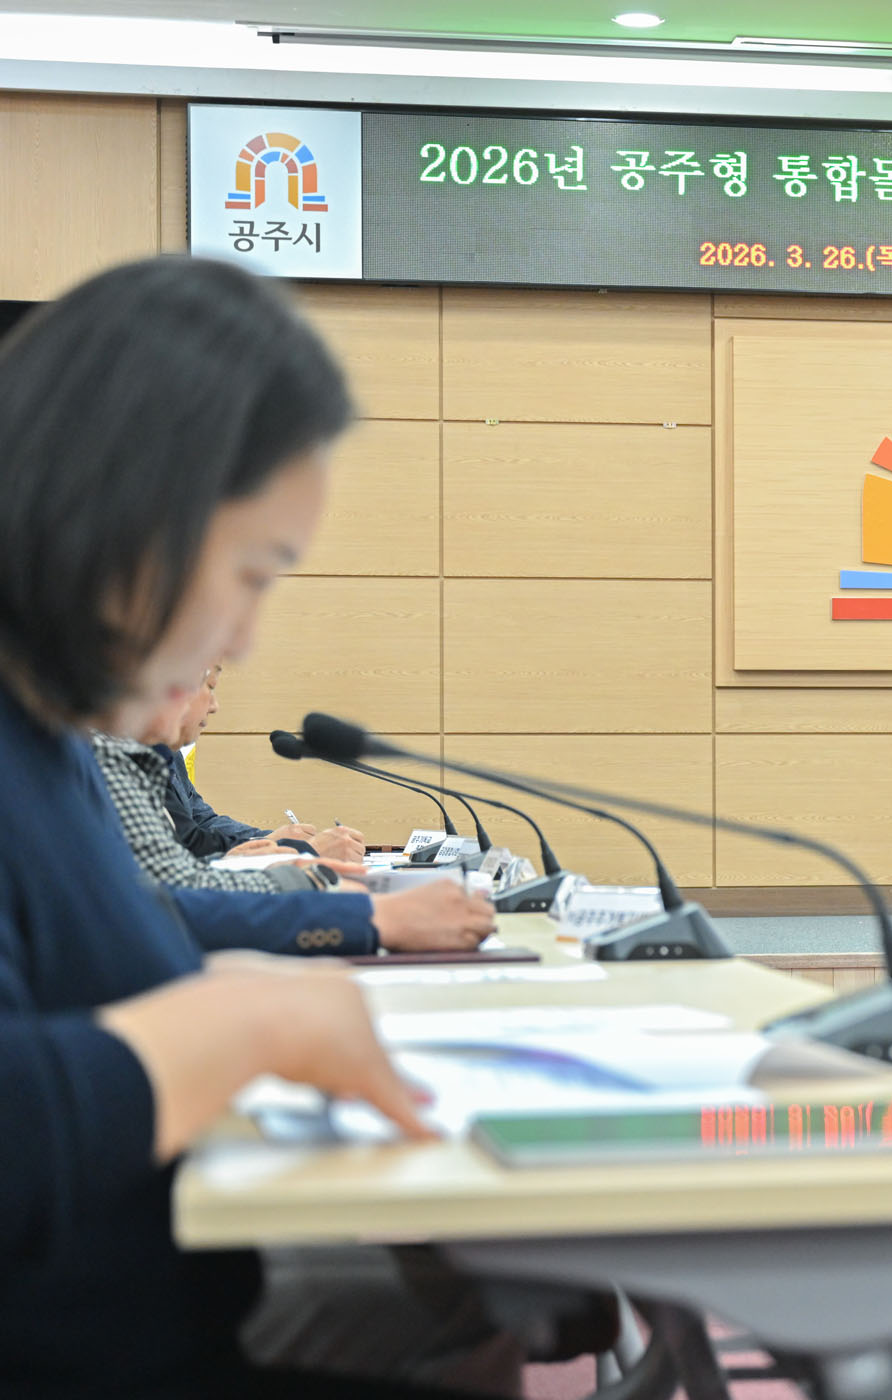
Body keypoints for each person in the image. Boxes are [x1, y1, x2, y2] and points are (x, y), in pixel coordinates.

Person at [0, 255, 511, 1399]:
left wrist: (269, 973)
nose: (243, 638)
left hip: (159, 1320)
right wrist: (247, 1018)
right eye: (252, 571)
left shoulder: (49, 734)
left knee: (475, 1301)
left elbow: (94, 953)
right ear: (124, 518)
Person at [93, 715, 495, 957]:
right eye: (202, 682)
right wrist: (358, 907)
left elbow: (192, 843)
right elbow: (167, 900)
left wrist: (275, 848)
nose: (211, 704)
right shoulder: (102, 756)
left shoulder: (145, 756)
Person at [169, 664, 366, 862]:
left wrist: (271, 841)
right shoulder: (152, 763)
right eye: (210, 687)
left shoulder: (172, 756)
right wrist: (294, 849)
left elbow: (202, 822)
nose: (214, 706)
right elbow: (185, 851)